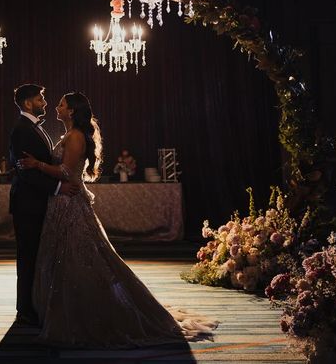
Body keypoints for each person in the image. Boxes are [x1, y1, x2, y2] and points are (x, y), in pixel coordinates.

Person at [18, 92, 216, 347]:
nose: (56, 107)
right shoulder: (68, 134)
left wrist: (37, 165)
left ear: (72, 111)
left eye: (61, 104)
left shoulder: (76, 136)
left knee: (83, 256)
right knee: (65, 257)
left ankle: (95, 311)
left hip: (70, 202)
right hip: (61, 202)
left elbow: (66, 171)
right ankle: (71, 307)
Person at [8, 84, 78, 326]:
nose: (45, 103)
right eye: (40, 99)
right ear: (28, 103)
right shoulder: (21, 129)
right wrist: (59, 188)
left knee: (37, 255)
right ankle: (25, 309)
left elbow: (40, 164)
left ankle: (35, 303)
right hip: (27, 204)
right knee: (27, 256)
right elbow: (25, 171)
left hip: (38, 202)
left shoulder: (33, 128)